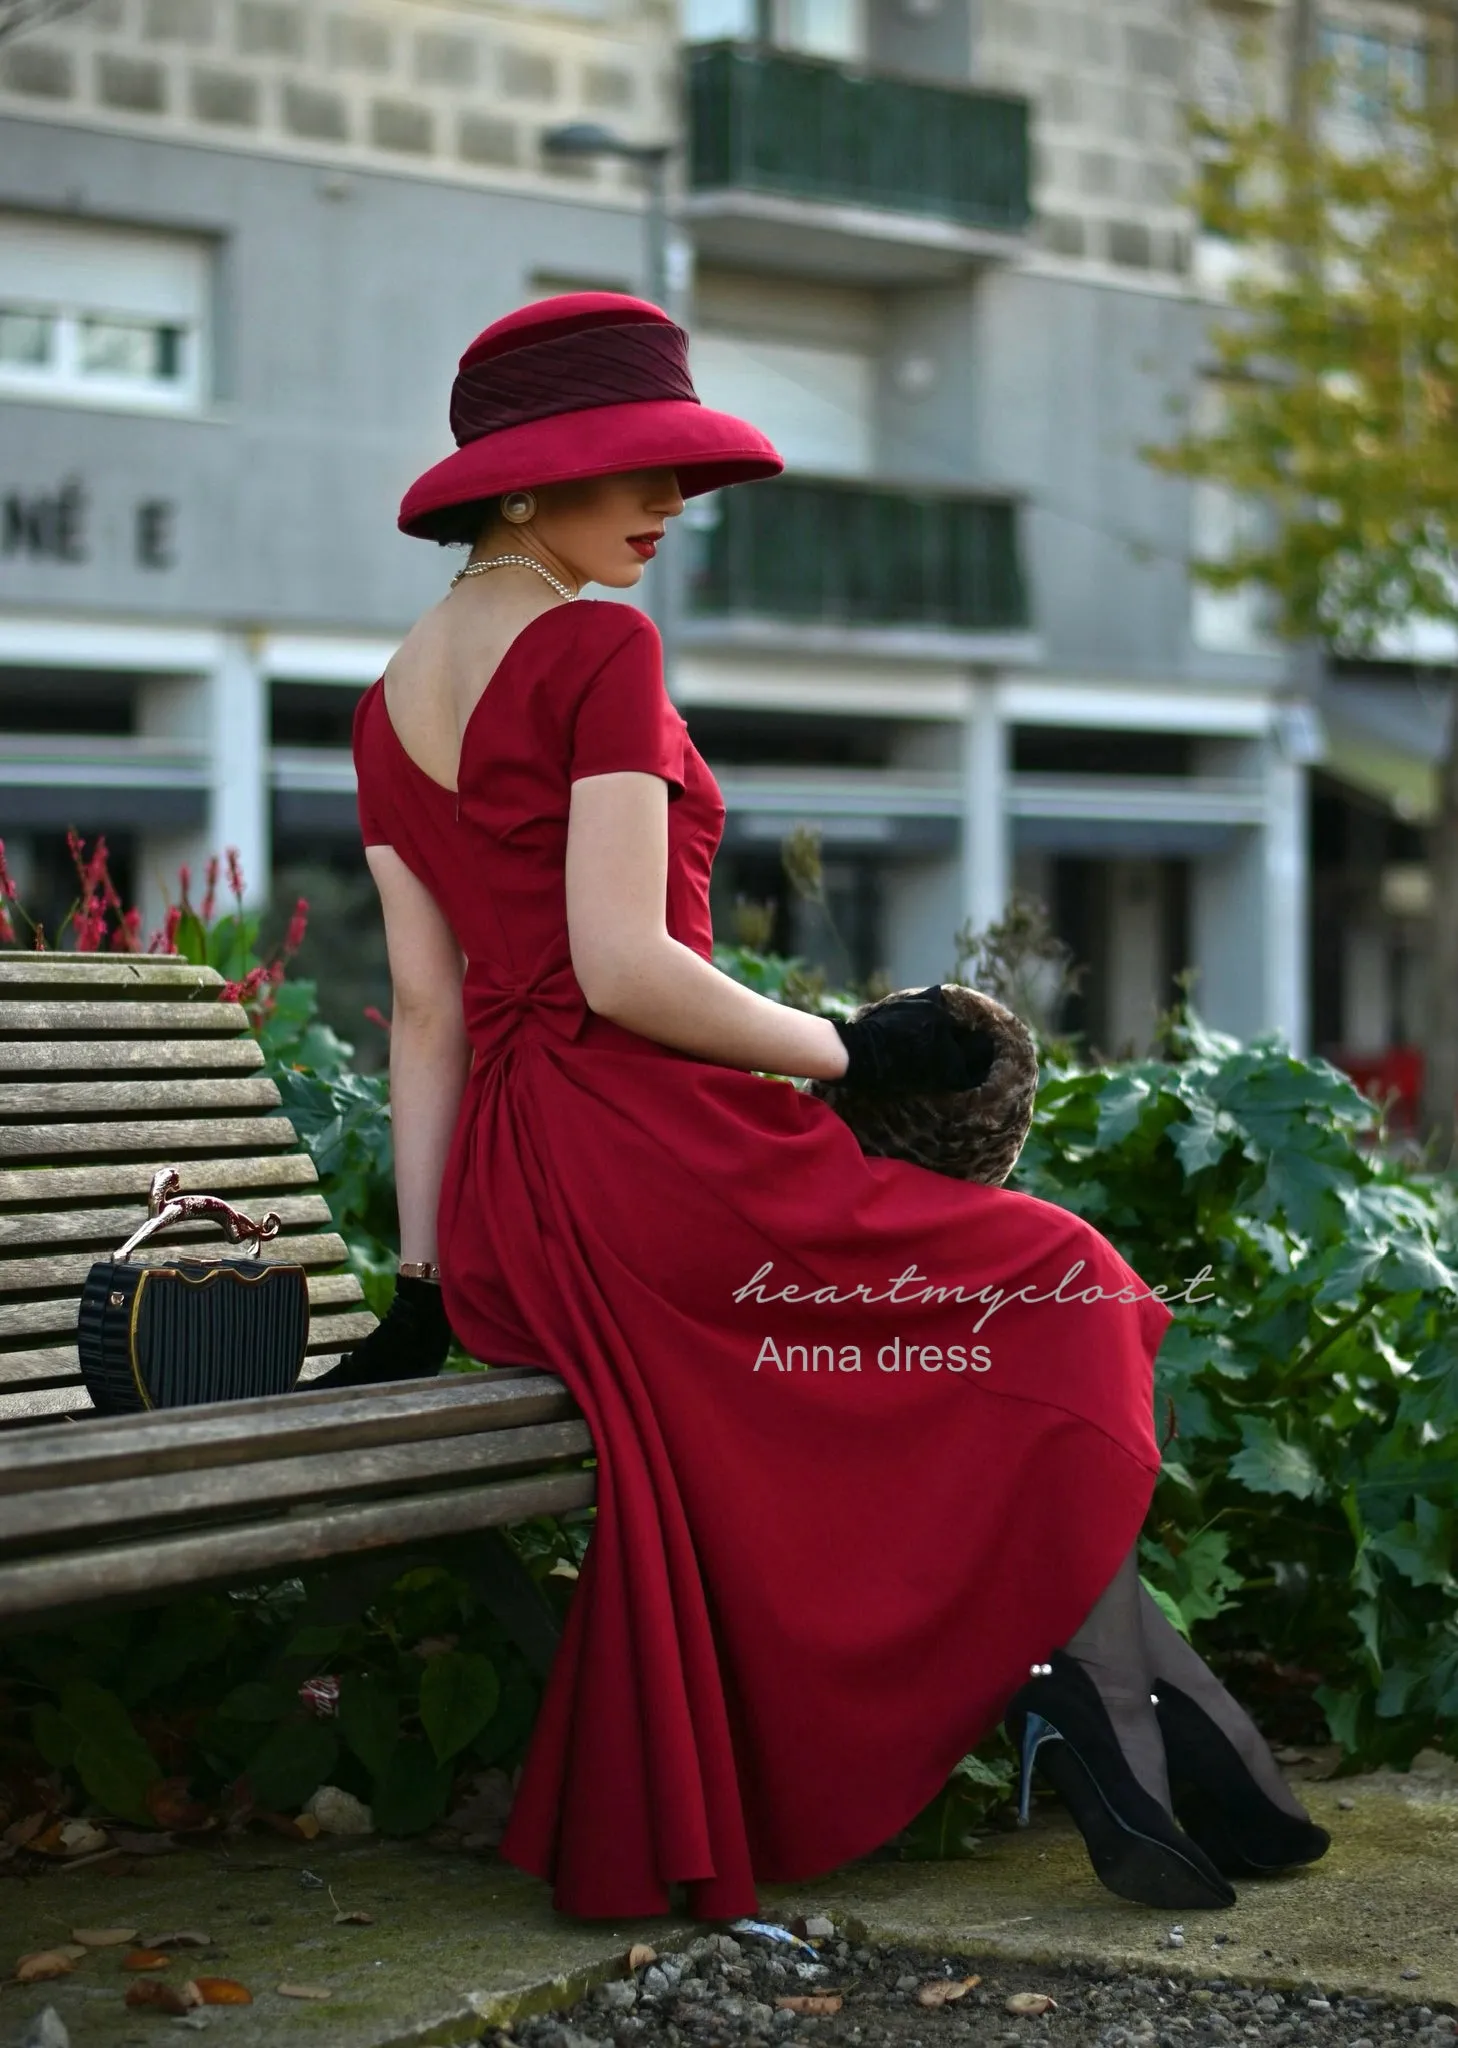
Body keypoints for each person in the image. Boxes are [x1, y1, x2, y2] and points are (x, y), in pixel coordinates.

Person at [315, 291, 1328, 1921]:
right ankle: (1103, 1698)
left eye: (676, 476)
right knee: (1060, 1285)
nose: (665, 509)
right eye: (630, 471)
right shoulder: (594, 645)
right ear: (518, 487)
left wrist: (426, 1286)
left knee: (970, 1325)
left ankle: (1137, 1711)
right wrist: (852, 1048)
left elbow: (428, 1014)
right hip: (662, 1165)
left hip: (528, 1213)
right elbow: (626, 970)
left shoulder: (383, 704)